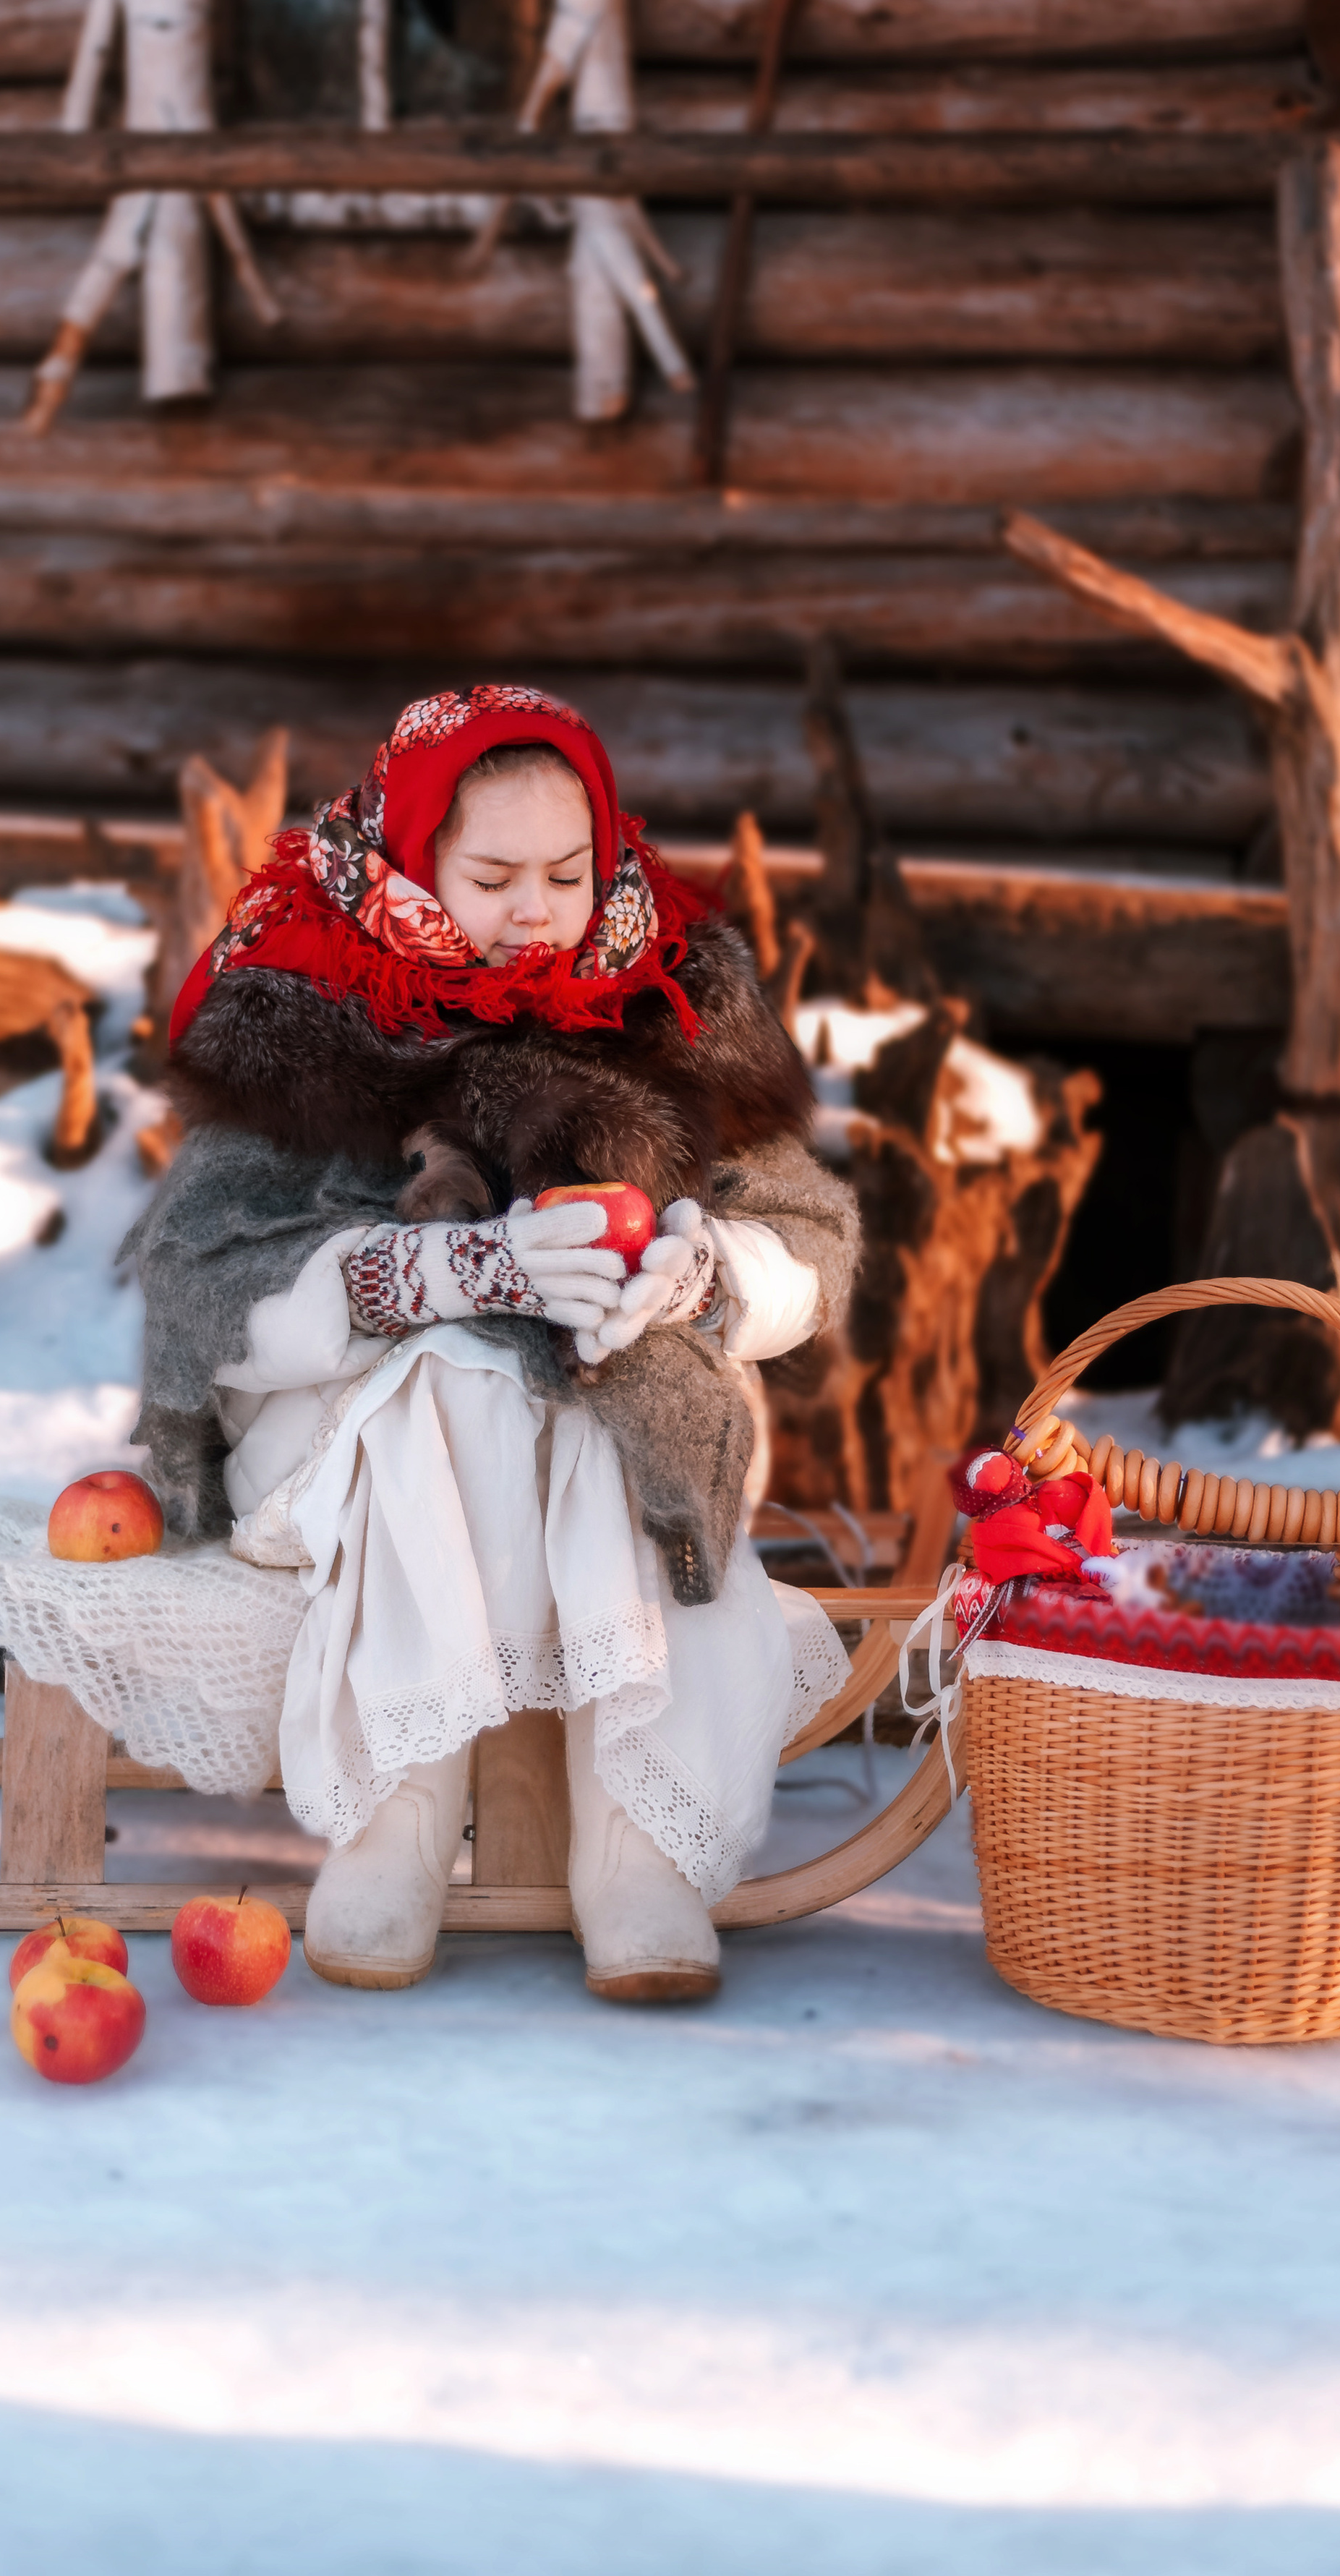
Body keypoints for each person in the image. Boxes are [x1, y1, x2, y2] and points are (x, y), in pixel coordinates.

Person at [126, 683, 860, 2003]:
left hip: (621, 1425)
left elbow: (809, 1244)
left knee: (604, 1394)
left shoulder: (674, 1000)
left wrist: (694, 1276)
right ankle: (396, 1821)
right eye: (495, 874)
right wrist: (453, 1269)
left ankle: (637, 1842)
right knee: (464, 1374)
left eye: (569, 874)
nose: (538, 910)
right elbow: (202, 1297)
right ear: (416, 861)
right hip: (342, 1440)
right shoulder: (304, 1008)